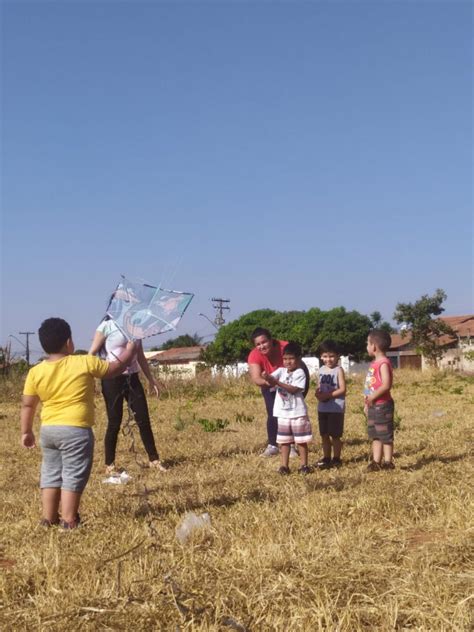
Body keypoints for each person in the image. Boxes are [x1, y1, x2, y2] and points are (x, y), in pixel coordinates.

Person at [20, 317, 136, 529]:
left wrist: (26, 431)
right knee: (73, 473)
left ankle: (48, 517)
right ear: (69, 342)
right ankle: (69, 519)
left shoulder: (35, 372)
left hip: (49, 431)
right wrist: (129, 352)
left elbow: (28, 406)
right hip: (75, 430)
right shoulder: (83, 361)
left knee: (51, 472)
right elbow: (112, 370)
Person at [89, 318, 166, 474]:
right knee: (114, 421)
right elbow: (91, 354)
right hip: (111, 378)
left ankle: (154, 459)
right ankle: (109, 465)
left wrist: (151, 380)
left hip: (132, 377)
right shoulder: (106, 326)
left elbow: (140, 356)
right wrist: (90, 380)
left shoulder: (136, 329)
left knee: (143, 419)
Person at [248, 328, 307, 457]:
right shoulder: (254, 355)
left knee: (290, 412)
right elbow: (257, 378)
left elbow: (299, 366)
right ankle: (273, 445)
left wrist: (295, 385)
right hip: (269, 383)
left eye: (264, 342)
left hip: (292, 381)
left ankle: (291, 445)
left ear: (271, 340)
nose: (262, 346)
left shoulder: (285, 347)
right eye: (258, 344)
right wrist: (270, 382)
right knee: (273, 412)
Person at [262, 342, 312, 474]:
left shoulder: (300, 372)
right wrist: (267, 377)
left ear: (298, 359)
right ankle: (284, 466)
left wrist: (277, 382)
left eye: (291, 359)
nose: (287, 362)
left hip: (297, 413)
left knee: (301, 441)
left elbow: (294, 389)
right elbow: (271, 378)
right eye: (285, 359)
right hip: (283, 414)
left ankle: (304, 465)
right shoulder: (281, 371)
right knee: (284, 442)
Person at [364, 329, 395, 471]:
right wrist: (367, 402)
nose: (366, 347)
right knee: (375, 434)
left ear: (374, 346)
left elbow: (386, 385)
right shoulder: (373, 364)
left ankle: (388, 462)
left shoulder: (383, 363)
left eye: (367, 344)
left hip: (383, 405)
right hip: (372, 405)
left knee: (385, 434)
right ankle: (376, 462)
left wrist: (373, 397)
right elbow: (369, 385)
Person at [315, 340, 346, 469]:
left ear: (338, 356)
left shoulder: (339, 370)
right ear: (321, 357)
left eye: (332, 356)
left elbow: (343, 389)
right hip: (323, 407)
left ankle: (337, 458)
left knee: (335, 435)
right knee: (324, 434)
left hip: (336, 408)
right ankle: (326, 457)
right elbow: (318, 387)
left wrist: (327, 396)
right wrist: (318, 394)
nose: (328, 359)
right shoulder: (321, 370)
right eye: (325, 356)